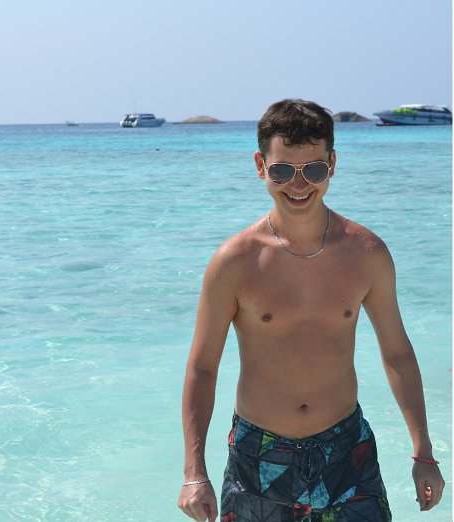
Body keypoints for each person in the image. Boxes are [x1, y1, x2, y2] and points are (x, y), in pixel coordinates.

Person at [177, 99, 445, 522]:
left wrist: (423, 452)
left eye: (314, 170)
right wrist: (194, 472)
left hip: (346, 451)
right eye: (283, 170)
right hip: (257, 454)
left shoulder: (366, 253)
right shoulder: (234, 262)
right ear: (261, 166)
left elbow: (396, 353)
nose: (299, 184)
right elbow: (202, 368)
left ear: (332, 164)